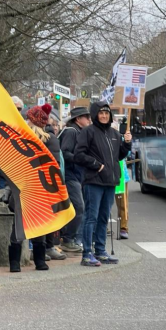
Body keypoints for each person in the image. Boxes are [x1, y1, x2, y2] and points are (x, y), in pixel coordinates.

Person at [8, 104, 66, 272]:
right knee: (39, 223)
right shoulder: (50, 139)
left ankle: (14, 264)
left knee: (19, 225)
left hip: (23, 186)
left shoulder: (21, 138)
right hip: (42, 188)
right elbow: (54, 166)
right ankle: (40, 262)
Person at [74, 101, 132, 266]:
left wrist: (127, 144)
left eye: (107, 113)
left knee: (103, 218)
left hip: (110, 181)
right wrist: (96, 165)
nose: (104, 116)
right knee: (90, 217)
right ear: (95, 115)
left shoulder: (114, 134)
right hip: (93, 181)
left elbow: (118, 156)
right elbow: (79, 154)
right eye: (101, 113)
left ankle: (100, 250)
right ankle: (87, 253)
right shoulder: (88, 132)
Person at [58, 106, 91, 252]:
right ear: (78, 119)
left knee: (76, 208)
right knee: (79, 208)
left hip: (76, 176)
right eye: (86, 117)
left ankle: (69, 238)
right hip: (70, 176)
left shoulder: (77, 132)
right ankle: (68, 239)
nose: (89, 120)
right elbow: (64, 153)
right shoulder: (71, 132)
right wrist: (81, 159)